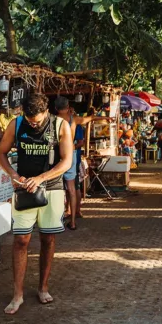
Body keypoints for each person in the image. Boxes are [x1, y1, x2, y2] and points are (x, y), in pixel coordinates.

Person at [0, 92, 74, 314]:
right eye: (30, 121)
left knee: (48, 238)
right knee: (21, 240)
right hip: (23, 191)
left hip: (52, 189)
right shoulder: (16, 124)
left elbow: (67, 161)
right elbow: (1, 154)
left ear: (46, 112)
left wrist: (40, 178)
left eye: (37, 121)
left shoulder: (61, 125)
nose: (33, 124)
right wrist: (14, 175)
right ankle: (17, 294)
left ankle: (43, 287)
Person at [54, 97, 104, 231]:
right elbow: (89, 118)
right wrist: (100, 117)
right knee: (71, 189)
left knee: (54, 189)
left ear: (55, 108)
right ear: (68, 105)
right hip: (69, 156)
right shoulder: (73, 119)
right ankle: (73, 222)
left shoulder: (52, 120)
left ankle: (55, 219)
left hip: (55, 157)